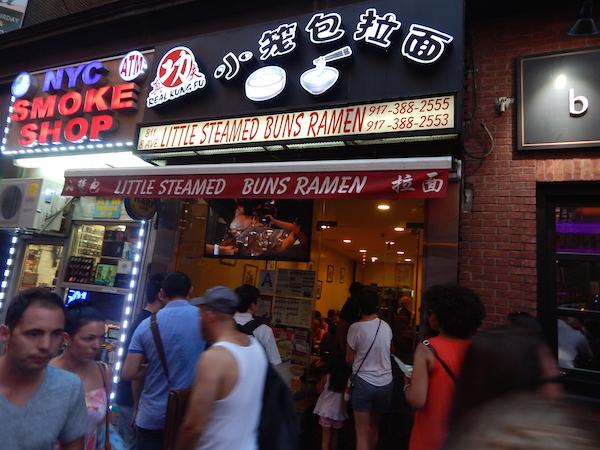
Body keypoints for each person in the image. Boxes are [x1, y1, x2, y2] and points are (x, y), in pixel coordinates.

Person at [122, 272, 206, 450]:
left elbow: (128, 373)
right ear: (190, 291)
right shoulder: (205, 320)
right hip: (190, 414)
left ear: (162, 294)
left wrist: (152, 366)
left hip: (151, 416)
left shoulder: (147, 325)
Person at [176, 286, 268, 450]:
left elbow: (194, 427)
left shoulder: (214, 358)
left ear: (209, 315)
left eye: (200, 314)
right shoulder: (256, 347)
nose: (198, 321)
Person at [0, 287, 88, 450]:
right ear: (6, 334)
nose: (46, 346)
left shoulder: (68, 388)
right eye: (33, 334)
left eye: (55, 335)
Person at [403, 284, 485, 450]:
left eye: (431, 312)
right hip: (464, 438)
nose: (429, 316)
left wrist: (406, 384)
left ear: (442, 315)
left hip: (430, 438)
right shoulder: (479, 349)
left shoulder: (427, 348)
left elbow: (417, 400)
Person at [50, 300, 126, 450]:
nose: (97, 345)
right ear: (66, 338)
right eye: (88, 339)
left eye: (101, 338)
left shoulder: (104, 372)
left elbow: (105, 426)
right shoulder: (44, 374)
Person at [115, 272, 166, 449]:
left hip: (125, 396)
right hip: (132, 399)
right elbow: (136, 371)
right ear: (162, 294)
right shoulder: (148, 324)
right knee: (131, 445)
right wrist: (138, 406)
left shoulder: (140, 319)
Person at [346, 288, 394, 450]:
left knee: (361, 432)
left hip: (364, 382)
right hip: (386, 382)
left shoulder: (355, 328)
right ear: (376, 306)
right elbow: (391, 350)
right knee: (374, 427)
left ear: (359, 306)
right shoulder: (386, 327)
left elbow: (349, 359)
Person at [232, 283, 281, 365]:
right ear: (252, 305)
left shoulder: (223, 326)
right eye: (258, 301)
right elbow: (274, 362)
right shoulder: (264, 330)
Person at [313, 353, 350, 450]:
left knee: (325, 439)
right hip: (338, 412)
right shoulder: (345, 380)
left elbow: (318, 390)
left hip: (326, 411)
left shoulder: (326, 377)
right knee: (335, 437)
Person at [336, 282, 363, 352]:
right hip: (348, 345)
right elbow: (341, 330)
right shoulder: (350, 306)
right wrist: (344, 350)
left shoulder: (356, 305)